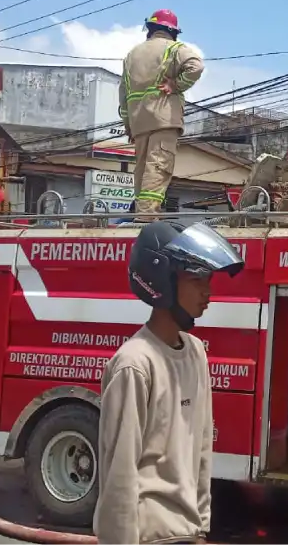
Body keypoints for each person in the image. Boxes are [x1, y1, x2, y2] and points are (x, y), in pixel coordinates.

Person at [94, 221, 244, 545]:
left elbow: (201, 450)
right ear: (161, 281)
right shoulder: (135, 364)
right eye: (197, 279)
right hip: (149, 536)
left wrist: (201, 527)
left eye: (209, 279)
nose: (208, 291)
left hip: (187, 533)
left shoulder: (195, 354)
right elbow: (119, 474)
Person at [118, 10, 205, 220]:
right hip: (163, 118)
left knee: (141, 170)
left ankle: (141, 212)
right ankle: (147, 216)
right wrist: (176, 85)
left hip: (138, 123)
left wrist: (128, 125)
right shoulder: (175, 48)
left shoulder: (132, 55)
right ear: (172, 31)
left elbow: (123, 93)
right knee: (158, 167)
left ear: (150, 29)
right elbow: (196, 66)